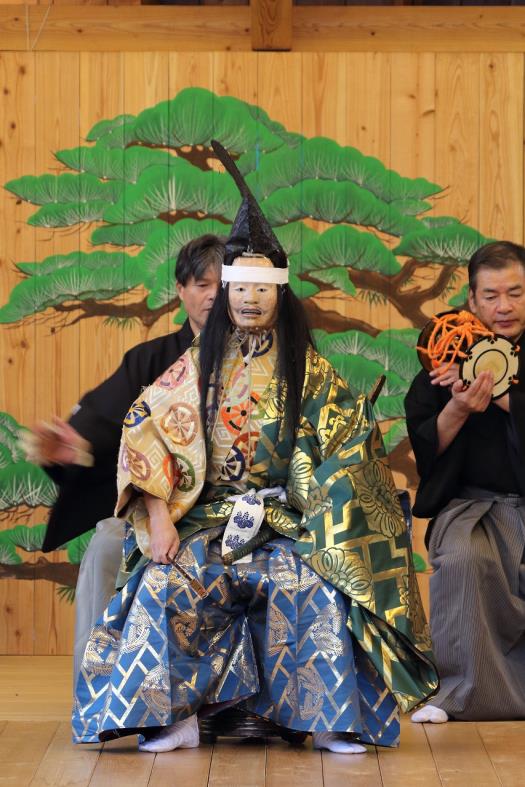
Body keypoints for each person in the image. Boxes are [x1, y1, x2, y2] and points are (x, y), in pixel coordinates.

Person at [72, 140, 437, 754]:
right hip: (204, 521)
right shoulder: (193, 368)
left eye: (261, 289)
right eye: (238, 288)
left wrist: (316, 512)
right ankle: (173, 716)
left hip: (286, 522)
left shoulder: (311, 375)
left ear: (281, 294)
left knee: (313, 584)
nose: (247, 299)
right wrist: (159, 515)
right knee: (166, 584)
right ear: (225, 294)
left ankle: (328, 718)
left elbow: (348, 445)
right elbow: (144, 427)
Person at [27, 235, 224, 680]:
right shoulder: (149, 361)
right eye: (200, 283)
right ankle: (95, 688)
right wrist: (75, 451)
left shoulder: (263, 361)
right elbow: (100, 427)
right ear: (181, 289)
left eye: (222, 284)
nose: (212, 294)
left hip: (238, 512)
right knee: (106, 546)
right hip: (152, 510)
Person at [405, 240, 525, 723]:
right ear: (471, 302)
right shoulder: (446, 356)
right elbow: (425, 446)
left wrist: (495, 392)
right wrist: (457, 405)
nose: (505, 306)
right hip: (471, 507)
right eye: (491, 295)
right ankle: (458, 692)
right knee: (462, 557)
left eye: (515, 293)